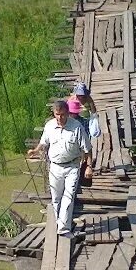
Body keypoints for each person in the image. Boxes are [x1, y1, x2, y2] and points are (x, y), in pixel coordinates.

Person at [27, 100, 92, 237]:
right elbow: (43, 143)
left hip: (72, 166)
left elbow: (87, 149)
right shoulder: (49, 126)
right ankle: (58, 222)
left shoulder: (77, 127)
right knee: (56, 198)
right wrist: (35, 151)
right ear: (54, 113)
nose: (60, 118)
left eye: (62, 115)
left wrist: (89, 167)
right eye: (57, 114)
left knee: (68, 197)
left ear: (67, 113)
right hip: (55, 167)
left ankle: (64, 228)